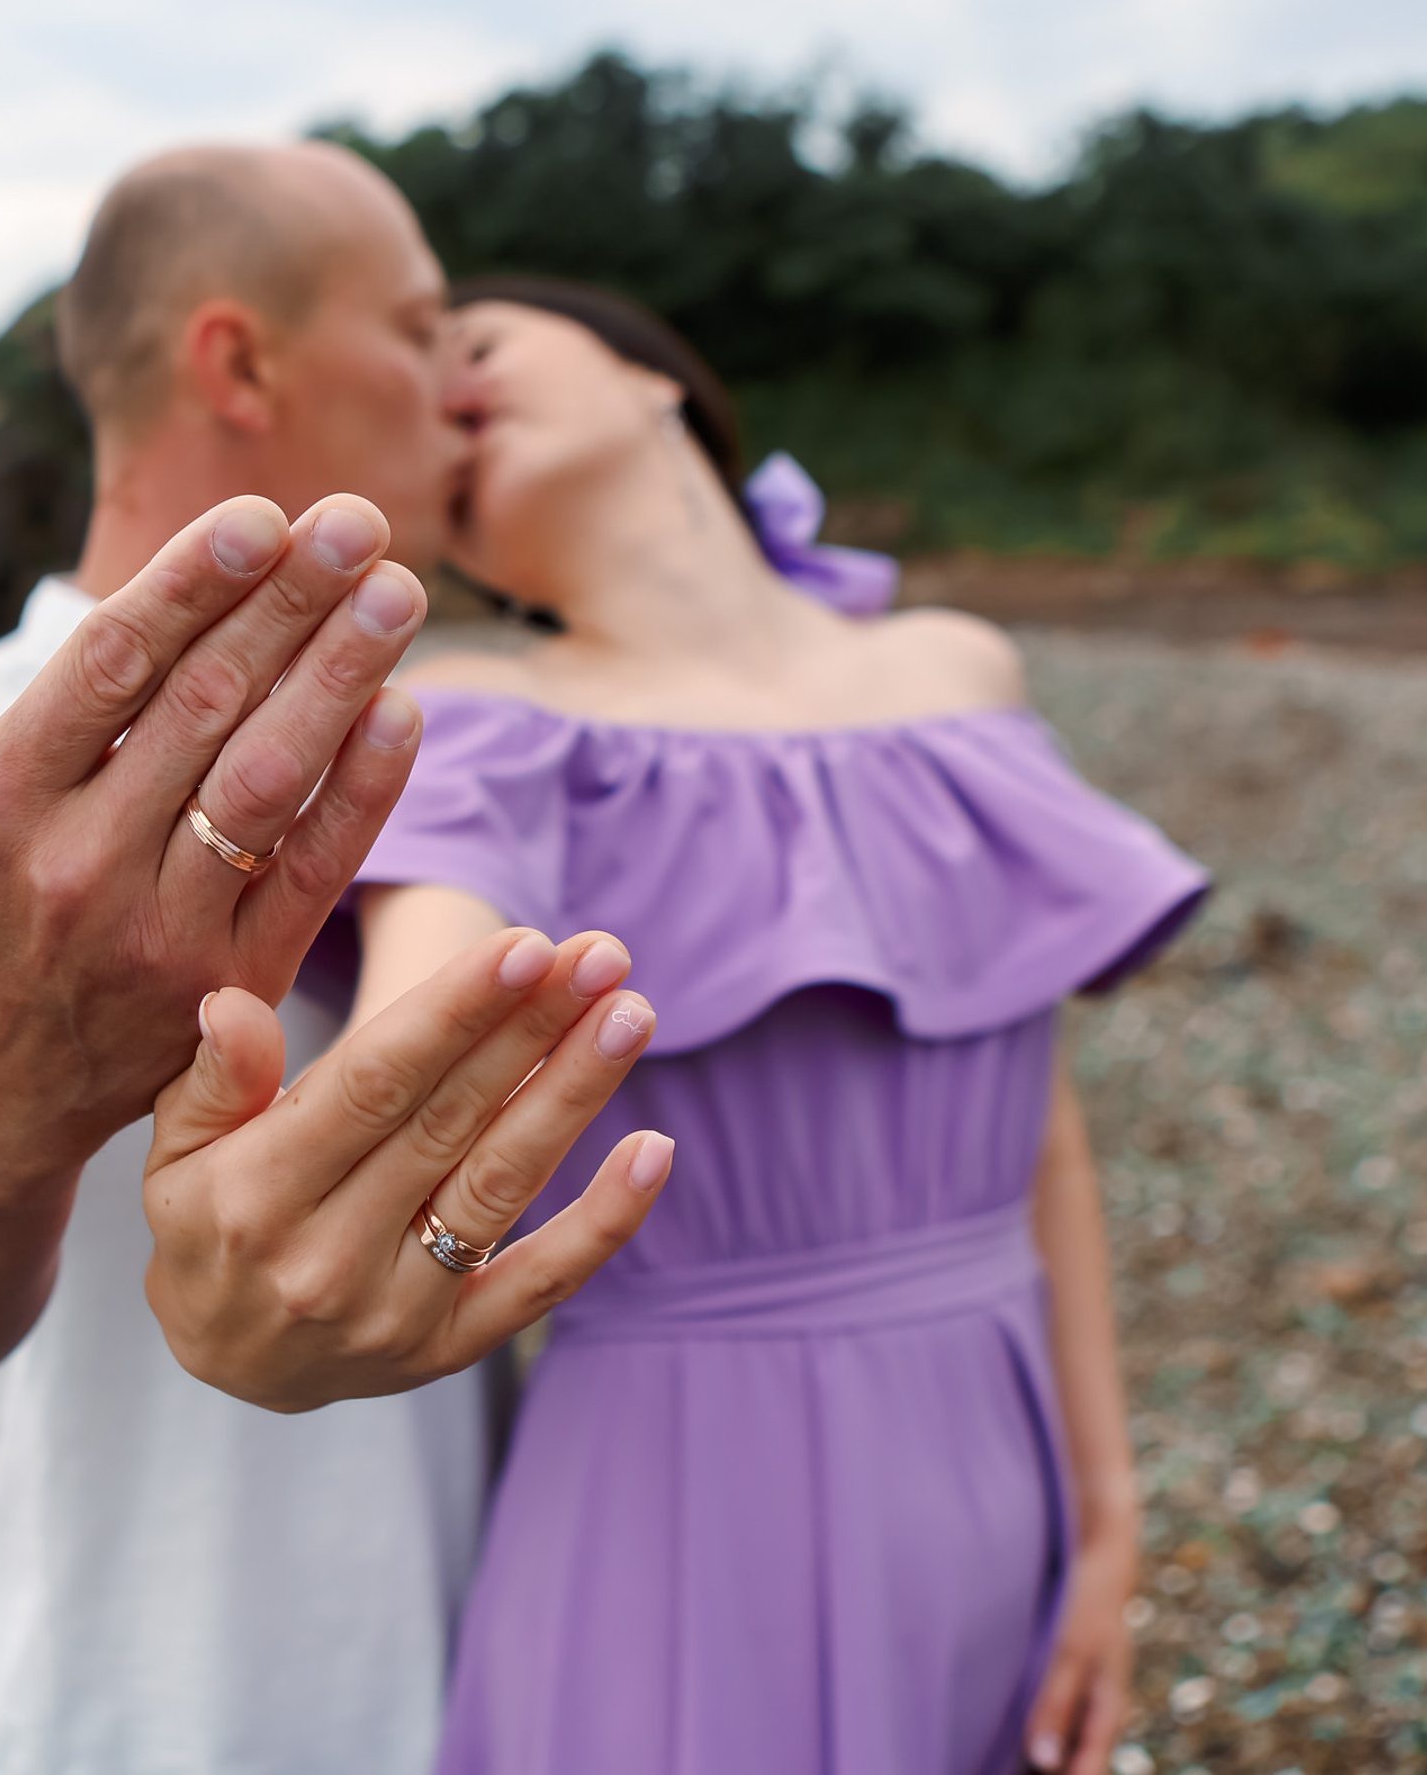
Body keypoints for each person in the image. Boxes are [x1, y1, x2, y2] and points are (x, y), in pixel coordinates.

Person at [0, 151, 671, 1775]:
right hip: (148, 1718)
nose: (462, 390)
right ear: (240, 363)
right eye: (424, 327)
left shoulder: (483, 731)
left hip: (527, 1685)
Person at [332, 277, 1208, 1775]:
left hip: (998, 1479)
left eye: (473, 349)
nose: (443, 398)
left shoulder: (957, 669)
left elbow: (1041, 1135)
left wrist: (1109, 1511)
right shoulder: (471, 715)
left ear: (656, 379)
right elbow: (414, 1026)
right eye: (419, 405)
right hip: (678, 1503)